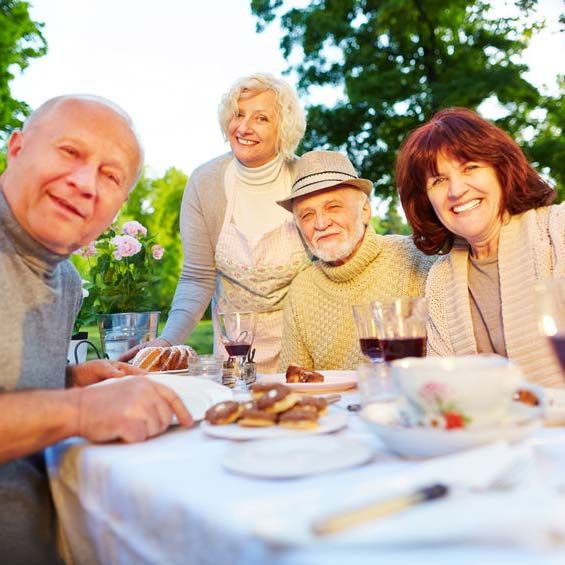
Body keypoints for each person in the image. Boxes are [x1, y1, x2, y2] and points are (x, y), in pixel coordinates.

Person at [0, 95, 192, 564]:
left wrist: (70, 379)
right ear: (17, 148)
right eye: (70, 152)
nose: (86, 184)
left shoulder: (65, 278)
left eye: (111, 176)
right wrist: (80, 412)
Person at [122, 73, 310, 372]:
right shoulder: (205, 182)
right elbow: (197, 278)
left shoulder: (305, 177)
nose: (244, 127)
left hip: (303, 347)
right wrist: (166, 341)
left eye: (261, 118)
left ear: (284, 128)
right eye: (238, 114)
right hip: (234, 350)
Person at [396, 107, 565, 387]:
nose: (456, 190)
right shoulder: (440, 280)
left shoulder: (557, 229)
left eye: (470, 167)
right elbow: (444, 388)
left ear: (501, 170)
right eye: (438, 180)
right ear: (427, 200)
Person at [277, 151, 434, 370]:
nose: (321, 223)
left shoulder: (417, 258)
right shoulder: (301, 289)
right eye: (307, 215)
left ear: (365, 211)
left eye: (333, 207)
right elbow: (294, 382)